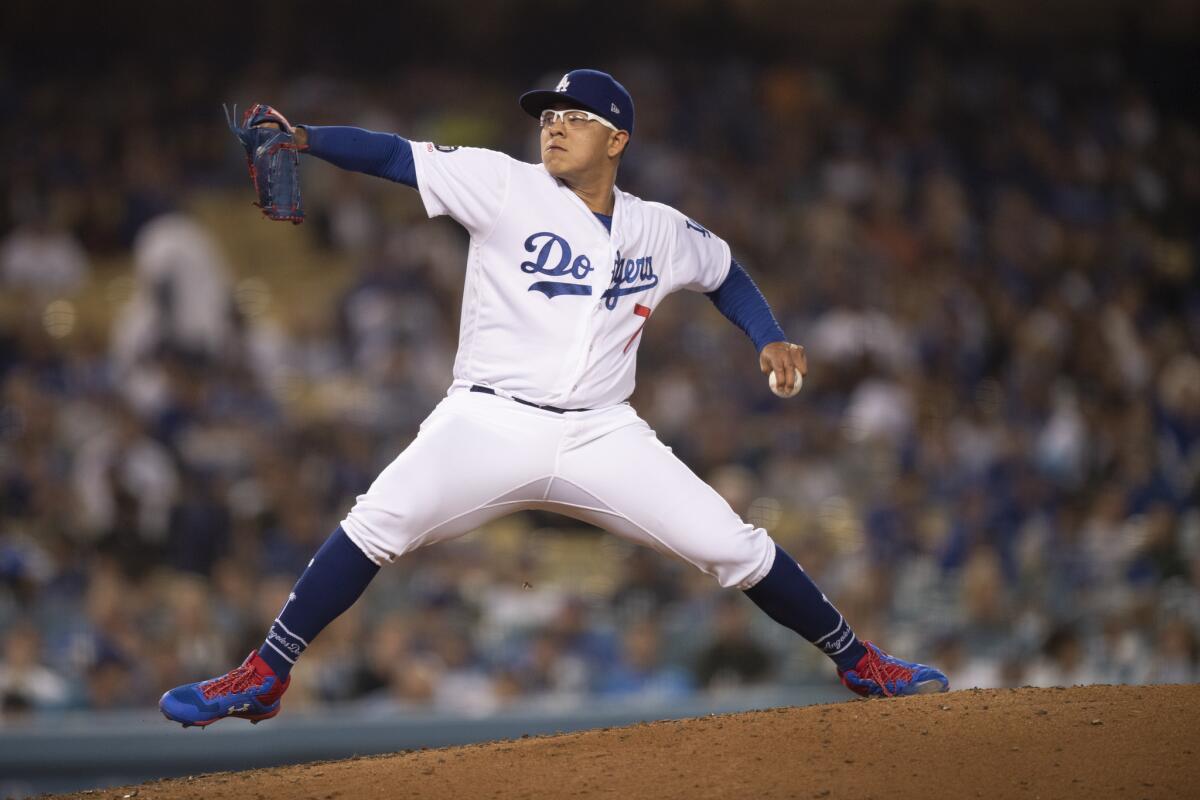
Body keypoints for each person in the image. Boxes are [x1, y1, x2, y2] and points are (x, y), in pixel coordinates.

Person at [160, 69, 948, 728]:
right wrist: (307, 139)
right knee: (377, 522)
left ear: (618, 141)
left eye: (576, 118)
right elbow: (397, 157)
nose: (554, 128)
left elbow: (725, 272)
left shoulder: (659, 228)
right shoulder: (503, 184)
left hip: (604, 434)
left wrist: (768, 336)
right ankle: (265, 673)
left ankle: (861, 662)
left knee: (734, 546)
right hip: (488, 419)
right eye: (549, 117)